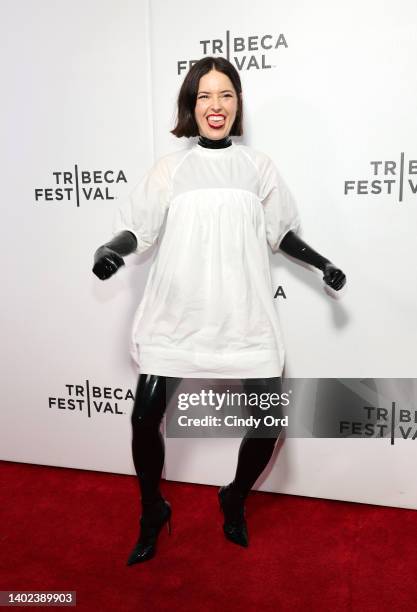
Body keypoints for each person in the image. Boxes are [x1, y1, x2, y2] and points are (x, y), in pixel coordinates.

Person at [92, 56, 346, 565]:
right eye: (205, 95)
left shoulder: (258, 167)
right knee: (145, 418)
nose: (216, 105)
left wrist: (322, 263)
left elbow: (281, 234)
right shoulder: (172, 168)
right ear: (192, 104)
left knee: (268, 423)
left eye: (226, 95)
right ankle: (151, 511)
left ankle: (233, 495)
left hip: (244, 316)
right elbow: (138, 229)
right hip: (176, 314)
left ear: (237, 104)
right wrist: (110, 250)